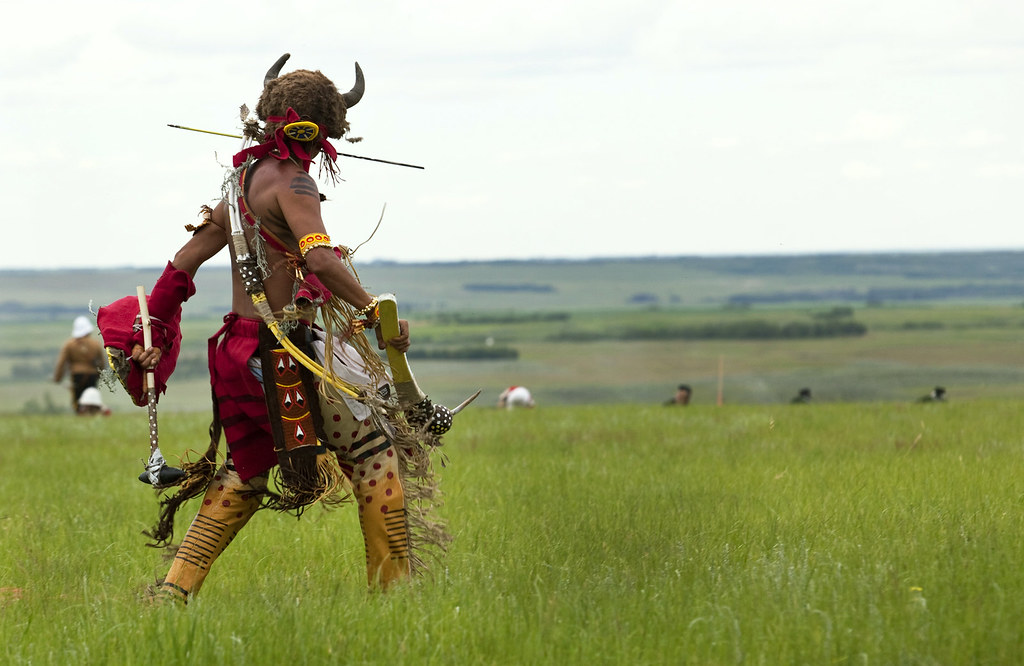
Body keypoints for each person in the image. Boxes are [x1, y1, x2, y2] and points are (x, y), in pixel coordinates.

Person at [98, 55, 447, 604]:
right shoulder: (297, 186)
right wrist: (373, 311)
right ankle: (395, 598)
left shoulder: (238, 187)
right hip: (284, 350)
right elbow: (323, 261)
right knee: (376, 455)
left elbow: (183, 262)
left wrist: (154, 327)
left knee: (244, 476)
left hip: (237, 351)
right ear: (326, 131)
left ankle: (173, 591)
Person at [53, 315, 106, 412]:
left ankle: (80, 414)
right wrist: (99, 374)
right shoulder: (96, 344)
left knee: (78, 400)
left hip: (77, 376)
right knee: (91, 398)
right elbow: (102, 362)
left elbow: (61, 363)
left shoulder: (69, 344)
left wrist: (58, 378)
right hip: (92, 376)